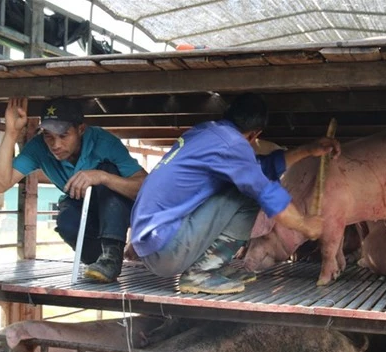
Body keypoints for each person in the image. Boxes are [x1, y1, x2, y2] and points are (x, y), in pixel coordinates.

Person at [130, 93, 340, 294]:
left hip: (153, 243)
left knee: (247, 183)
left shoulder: (207, 133)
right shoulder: (231, 144)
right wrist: (305, 225)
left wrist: (308, 150)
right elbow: (267, 192)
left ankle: (212, 265)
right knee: (247, 193)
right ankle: (202, 272)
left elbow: (257, 169)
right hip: (166, 247)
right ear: (255, 134)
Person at [0, 97, 147, 282]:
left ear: (80, 130)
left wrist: (101, 177)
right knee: (66, 222)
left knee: (107, 172)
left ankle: (111, 254)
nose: (55, 144)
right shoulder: (38, 147)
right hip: (83, 207)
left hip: (121, 210)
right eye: (48, 135)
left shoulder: (104, 142)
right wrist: (11, 132)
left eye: (63, 135)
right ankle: (101, 261)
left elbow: (145, 187)